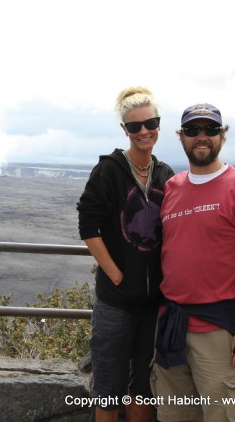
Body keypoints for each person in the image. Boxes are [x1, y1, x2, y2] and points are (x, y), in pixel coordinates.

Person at [151, 103, 235, 422]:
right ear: (181, 136)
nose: (202, 137)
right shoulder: (173, 188)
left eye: (210, 130)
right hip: (172, 327)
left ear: (222, 136)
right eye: (193, 130)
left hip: (220, 332)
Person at [77, 86, 174, 422]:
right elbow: (88, 227)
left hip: (153, 305)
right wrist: (116, 275)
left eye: (151, 123)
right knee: (108, 386)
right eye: (135, 126)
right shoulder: (108, 171)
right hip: (115, 303)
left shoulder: (166, 176)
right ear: (124, 130)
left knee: (144, 388)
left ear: (159, 124)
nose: (144, 131)